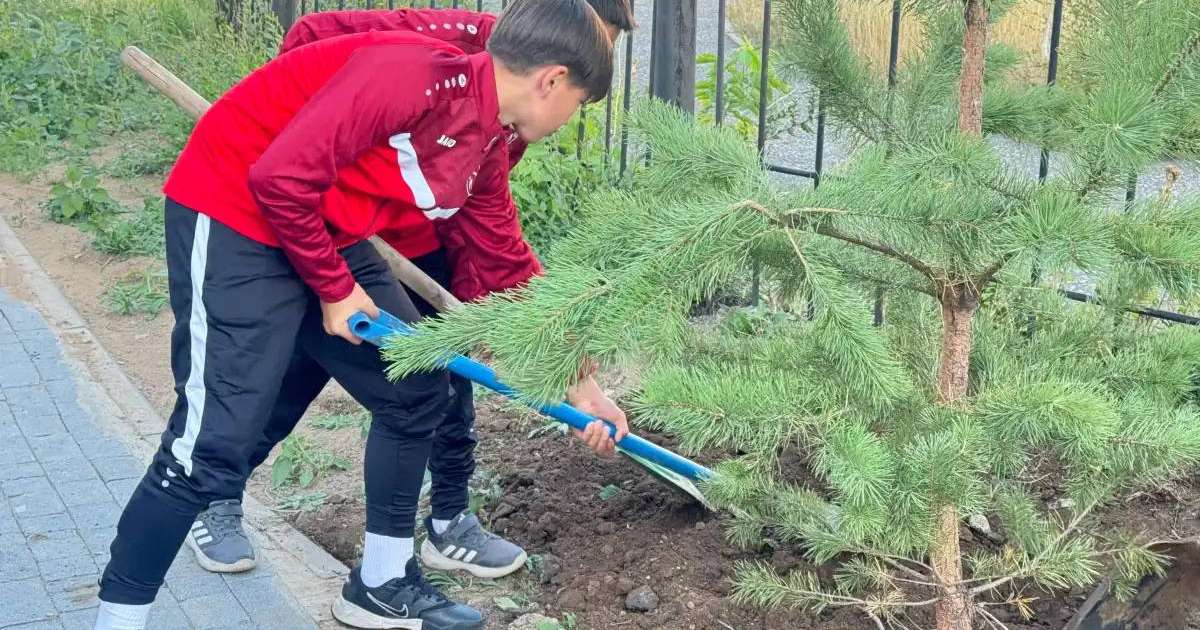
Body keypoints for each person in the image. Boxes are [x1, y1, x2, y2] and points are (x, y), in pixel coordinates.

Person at [93, 2, 620, 629]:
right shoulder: (409, 75)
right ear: (552, 80)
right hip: (234, 211)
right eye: (581, 102)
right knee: (208, 445)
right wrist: (334, 288)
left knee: (416, 389)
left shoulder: (487, 136)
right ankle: (118, 618)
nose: (572, 117)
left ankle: (380, 584)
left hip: (327, 223)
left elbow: (503, 258)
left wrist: (581, 382)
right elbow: (279, 177)